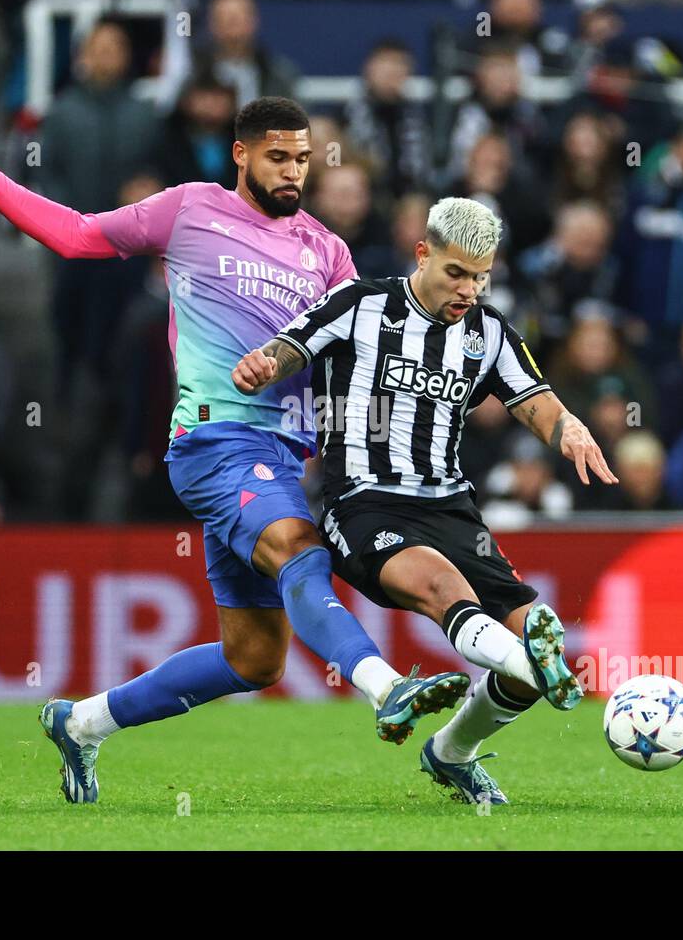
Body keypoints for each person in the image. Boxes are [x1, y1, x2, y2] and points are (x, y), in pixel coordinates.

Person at [0, 95, 467, 804]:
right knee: (298, 550)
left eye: (303, 159)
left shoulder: (327, 251)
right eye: (279, 157)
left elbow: (357, 355)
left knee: (254, 659)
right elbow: (77, 236)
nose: (293, 172)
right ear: (241, 154)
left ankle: (80, 722)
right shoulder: (187, 208)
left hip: (279, 459)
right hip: (214, 440)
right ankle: (388, 688)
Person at [231, 197, 617, 804]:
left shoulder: (488, 334)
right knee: (448, 593)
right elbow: (293, 347)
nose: (469, 288)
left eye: (481, 276)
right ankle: (533, 663)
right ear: (424, 253)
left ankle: (453, 751)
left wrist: (567, 426)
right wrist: (264, 364)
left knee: (527, 656)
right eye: (456, 273)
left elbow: (535, 400)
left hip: (452, 509)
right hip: (363, 503)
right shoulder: (363, 306)